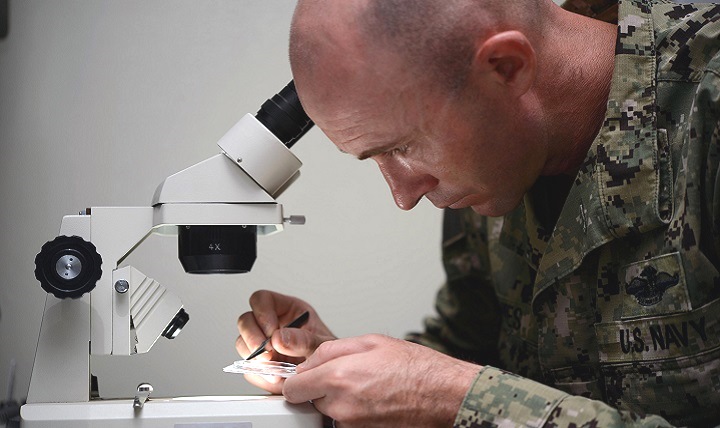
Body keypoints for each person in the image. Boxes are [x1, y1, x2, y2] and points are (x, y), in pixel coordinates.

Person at [236, 0, 720, 426]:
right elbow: (473, 358)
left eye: (403, 146)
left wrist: (452, 401)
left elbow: (466, 394)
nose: (404, 196)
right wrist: (342, 369)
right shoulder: (495, 169)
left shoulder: (708, 108)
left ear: (506, 67)